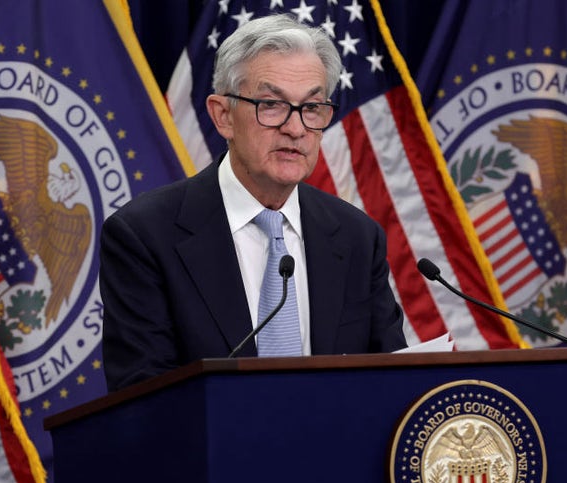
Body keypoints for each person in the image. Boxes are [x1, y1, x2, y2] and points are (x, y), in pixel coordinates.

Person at [100, 13, 407, 391]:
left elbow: (392, 380)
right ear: (223, 115)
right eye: (272, 105)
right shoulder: (144, 236)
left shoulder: (358, 237)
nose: (296, 129)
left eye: (311, 108)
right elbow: (142, 399)